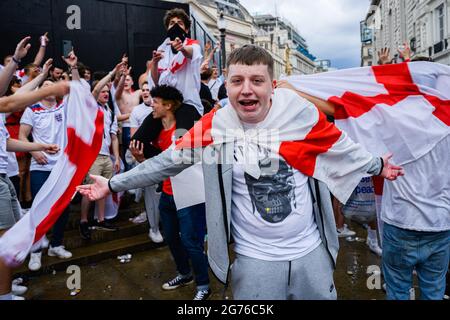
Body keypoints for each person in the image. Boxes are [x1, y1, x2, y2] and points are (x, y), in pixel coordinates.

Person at [78, 45, 403, 300]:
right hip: (254, 261)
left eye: (257, 81)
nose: (247, 90)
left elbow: (342, 147)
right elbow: (167, 162)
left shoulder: (301, 116)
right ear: (228, 86)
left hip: (311, 255)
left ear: (272, 86)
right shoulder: (217, 126)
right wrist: (114, 183)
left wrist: (379, 165)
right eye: (237, 81)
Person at [130, 85, 210, 300]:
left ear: (168, 105)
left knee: (191, 242)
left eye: (155, 102)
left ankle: (203, 285)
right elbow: (160, 165)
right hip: (167, 192)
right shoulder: (157, 132)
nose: (151, 105)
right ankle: (185, 274)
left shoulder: (185, 130)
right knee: (171, 238)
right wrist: (142, 160)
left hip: (189, 193)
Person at [79, 82, 121, 239]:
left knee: (104, 189)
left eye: (107, 92)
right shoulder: (90, 108)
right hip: (92, 156)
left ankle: (101, 219)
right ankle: (83, 221)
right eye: (102, 91)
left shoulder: (110, 112)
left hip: (106, 156)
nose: (105, 94)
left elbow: (114, 136)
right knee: (89, 190)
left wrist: (116, 157)